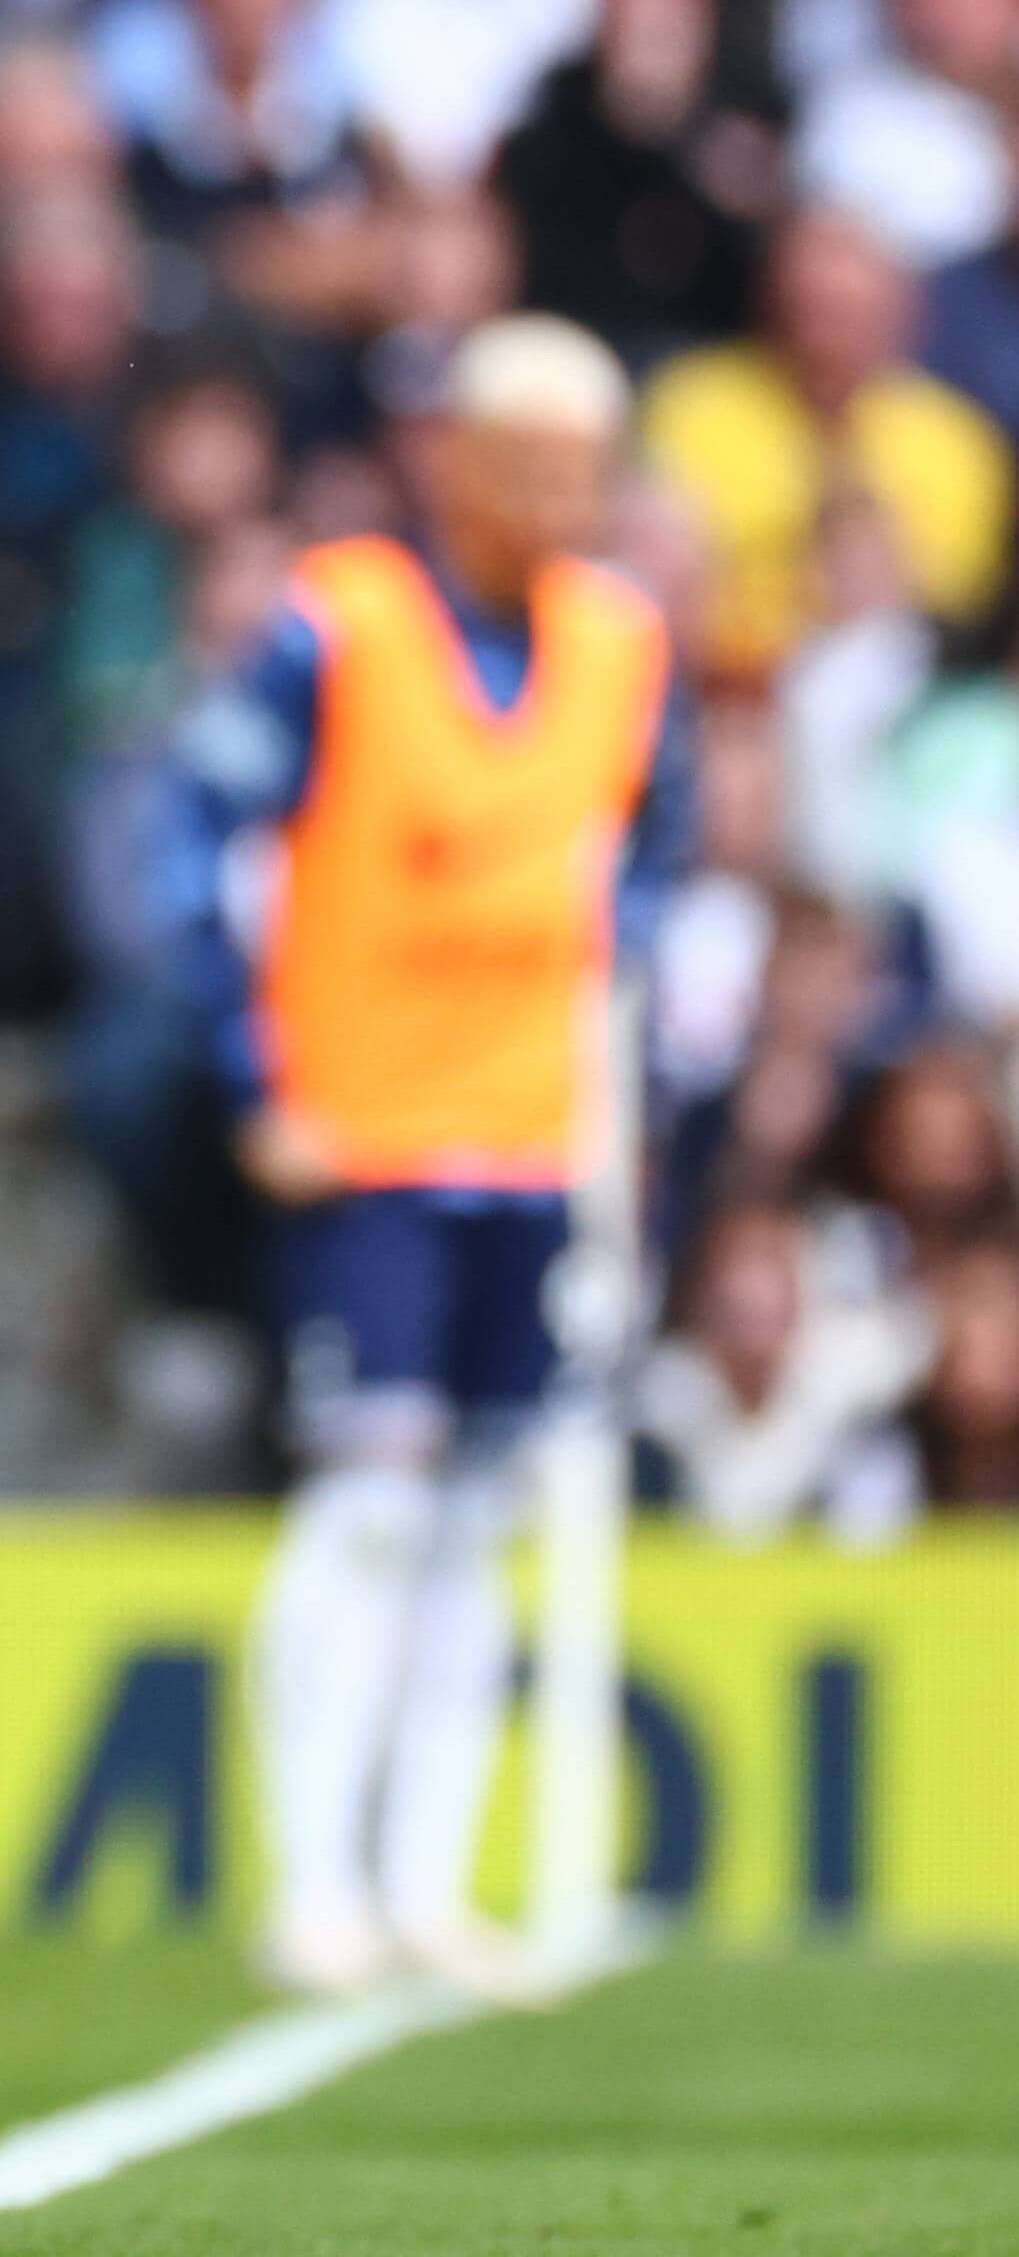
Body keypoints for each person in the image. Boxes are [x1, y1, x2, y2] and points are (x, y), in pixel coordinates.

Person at [173, 317, 688, 2000]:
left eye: (582, 472)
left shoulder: (622, 644)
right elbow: (197, 837)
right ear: (451, 458)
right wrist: (258, 1073)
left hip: (531, 1139)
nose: (554, 500)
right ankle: (311, 1875)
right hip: (368, 1138)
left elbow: (648, 878)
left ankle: (425, 1877)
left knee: (475, 1515)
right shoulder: (340, 624)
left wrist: (623, 1110)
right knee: (369, 1504)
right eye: (525, 463)